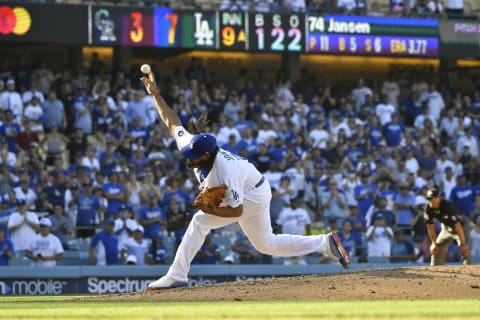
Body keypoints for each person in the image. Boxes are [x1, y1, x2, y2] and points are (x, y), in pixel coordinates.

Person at [140, 71, 350, 290]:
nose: (189, 159)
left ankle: (177, 275)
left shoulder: (225, 170)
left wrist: (209, 209)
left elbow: (237, 212)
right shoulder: (194, 145)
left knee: (200, 221)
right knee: (266, 244)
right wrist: (156, 95)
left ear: (207, 155)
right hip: (256, 184)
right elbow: (171, 122)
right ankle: (325, 243)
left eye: (194, 158)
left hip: (253, 193)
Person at [424, 188, 472, 265]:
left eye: (433, 198)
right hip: (446, 227)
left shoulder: (446, 206)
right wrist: (433, 243)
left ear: (438, 198)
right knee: (436, 249)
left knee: (465, 250)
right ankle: (436, 273)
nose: (431, 200)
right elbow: (430, 226)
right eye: (429, 199)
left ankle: (470, 272)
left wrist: (463, 243)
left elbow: (458, 225)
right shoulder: (428, 208)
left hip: (462, 226)